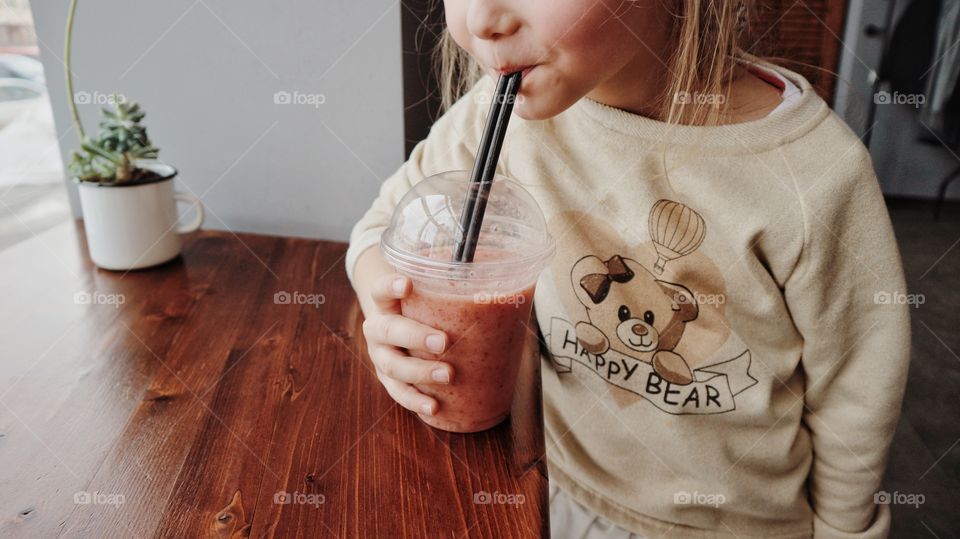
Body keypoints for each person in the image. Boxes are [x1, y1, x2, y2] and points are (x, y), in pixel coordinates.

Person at [345, 1, 911, 537]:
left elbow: (857, 397)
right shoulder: (496, 110)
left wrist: (847, 529)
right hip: (549, 486)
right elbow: (378, 231)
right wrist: (388, 311)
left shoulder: (815, 175)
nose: (481, 18)